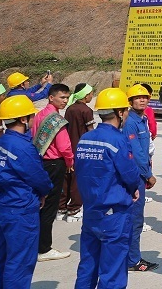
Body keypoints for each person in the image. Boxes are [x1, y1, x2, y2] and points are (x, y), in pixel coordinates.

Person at [73, 88, 141, 289]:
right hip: (113, 214)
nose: (127, 114)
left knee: (88, 265)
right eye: (125, 110)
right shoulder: (117, 139)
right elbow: (130, 174)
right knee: (113, 271)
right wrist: (134, 189)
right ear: (119, 112)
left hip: (91, 210)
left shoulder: (86, 139)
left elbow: (81, 170)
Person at [0, 96, 53, 287]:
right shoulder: (22, 147)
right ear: (23, 119)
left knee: (4, 257)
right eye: (31, 116)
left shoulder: (3, 141)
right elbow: (38, 177)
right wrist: (45, 191)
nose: (33, 119)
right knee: (20, 261)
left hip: (4, 205)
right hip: (21, 209)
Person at [31, 83, 74, 261]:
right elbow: (64, 146)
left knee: (41, 204)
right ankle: (44, 248)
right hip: (55, 164)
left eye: (67, 98)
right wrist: (70, 161)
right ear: (51, 97)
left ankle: (35, 245)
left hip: (40, 162)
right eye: (62, 97)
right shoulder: (56, 120)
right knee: (50, 206)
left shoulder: (39, 115)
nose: (65, 101)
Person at [121, 84, 158, 272]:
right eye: (138, 97)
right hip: (136, 175)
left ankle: (131, 256)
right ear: (130, 101)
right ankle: (132, 260)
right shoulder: (131, 122)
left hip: (139, 174)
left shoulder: (142, 119)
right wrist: (148, 175)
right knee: (135, 219)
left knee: (135, 219)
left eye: (145, 97)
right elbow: (136, 153)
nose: (142, 100)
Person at [58, 83, 95, 222]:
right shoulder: (86, 110)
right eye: (91, 93)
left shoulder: (70, 108)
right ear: (86, 95)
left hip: (68, 147)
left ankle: (61, 208)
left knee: (66, 178)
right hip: (81, 148)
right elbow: (90, 132)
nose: (92, 96)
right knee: (78, 180)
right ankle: (74, 209)